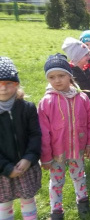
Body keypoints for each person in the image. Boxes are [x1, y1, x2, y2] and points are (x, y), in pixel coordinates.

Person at [38, 54, 90, 220]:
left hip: (77, 150)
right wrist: (46, 156)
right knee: (56, 182)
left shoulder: (82, 98)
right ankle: (56, 211)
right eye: (52, 77)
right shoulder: (46, 102)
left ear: (70, 76)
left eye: (61, 75)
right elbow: (42, 131)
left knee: (79, 176)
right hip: (57, 154)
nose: (57, 80)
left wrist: (89, 144)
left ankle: (83, 203)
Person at [0, 57, 42, 220]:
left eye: (8, 83)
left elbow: (35, 135)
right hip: (3, 172)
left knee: (28, 200)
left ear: (16, 84)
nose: (3, 88)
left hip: (26, 166)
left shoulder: (27, 108)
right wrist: (6, 168)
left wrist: (29, 158)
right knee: (4, 204)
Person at [62, 37, 90, 153]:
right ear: (76, 58)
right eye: (85, 55)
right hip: (79, 107)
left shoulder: (87, 70)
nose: (89, 57)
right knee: (85, 126)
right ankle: (88, 147)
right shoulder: (70, 73)